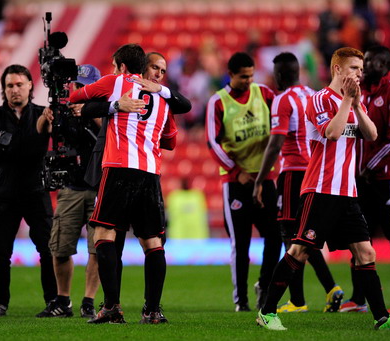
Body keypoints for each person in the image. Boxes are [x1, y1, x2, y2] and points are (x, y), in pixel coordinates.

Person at [256, 47, 390, 331]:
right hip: (320, 188)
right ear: (337, 70)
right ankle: (267, 312)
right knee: (299, 251)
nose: (360, 73)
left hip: (348, 192)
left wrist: (356, 105)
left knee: (366, 253)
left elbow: (371, 135)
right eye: (355, 68)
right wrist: (347, 100)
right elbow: (331, 133)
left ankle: (382, 318)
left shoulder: (358, 103)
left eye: (361, 68)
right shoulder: (319, 99)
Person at [76, 52, 191, 318]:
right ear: (143, 68)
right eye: (155, 68)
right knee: (152, 242)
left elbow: (84, 105)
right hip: (149, 172)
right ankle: (151, 311)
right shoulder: (165, 102)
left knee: (105, 235)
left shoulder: (118, 87)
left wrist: (116, 109)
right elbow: (172, 140)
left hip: (118, 169)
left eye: (163, 71)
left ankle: (112, 306)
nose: (159, 74)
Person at [252, 52, 343, 314]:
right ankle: (330, 289)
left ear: (279, 75)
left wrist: (260, 179)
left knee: (291, 235)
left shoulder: (283, 100)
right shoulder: (315, 94)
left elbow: (275, 143)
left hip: (293, 173)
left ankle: (299, 300)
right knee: (305, 235)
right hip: (317, 172)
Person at [340, 45, 390, 314]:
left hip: (389, 177)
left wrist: (368, 166)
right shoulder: (364, 95)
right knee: (359, 236)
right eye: (361, 63)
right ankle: (359, 298)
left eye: (369, 62)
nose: (364, 68)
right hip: (364, 177)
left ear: (384, 65)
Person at [0, 64, 57, 317]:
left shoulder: (43, 114)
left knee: (47, 249)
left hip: (36, 191)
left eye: (19, 84)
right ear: (3, 89)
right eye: (10, 85)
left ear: (31, 85)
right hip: (4, 194)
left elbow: (53, 132)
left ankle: (54, 301)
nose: (15, 90)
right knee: (0, 253)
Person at [205, 52, 282, 312]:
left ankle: (264, 284)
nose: (249, 81)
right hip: (236, 182)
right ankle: (242, 301)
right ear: (231, 75)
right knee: (241, 242)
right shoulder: (218, 102)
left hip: (266, 178)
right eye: (243, 76)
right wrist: (236, 170)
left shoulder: (265, 95)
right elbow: (212, 142)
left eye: (251, 75)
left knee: (274, 236)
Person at [34, 65, 103, 318]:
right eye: (77, 85)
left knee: (98, 249)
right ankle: (63, 300)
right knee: (60, 248)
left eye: (86, 86)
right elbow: (41, 131)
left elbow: (110, 132)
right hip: (71, 187)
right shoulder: (64, 111)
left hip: (99, 187)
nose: (80, 90)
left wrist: (89, 111)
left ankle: (88, 300)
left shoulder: (105, 109)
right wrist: (46, 115)